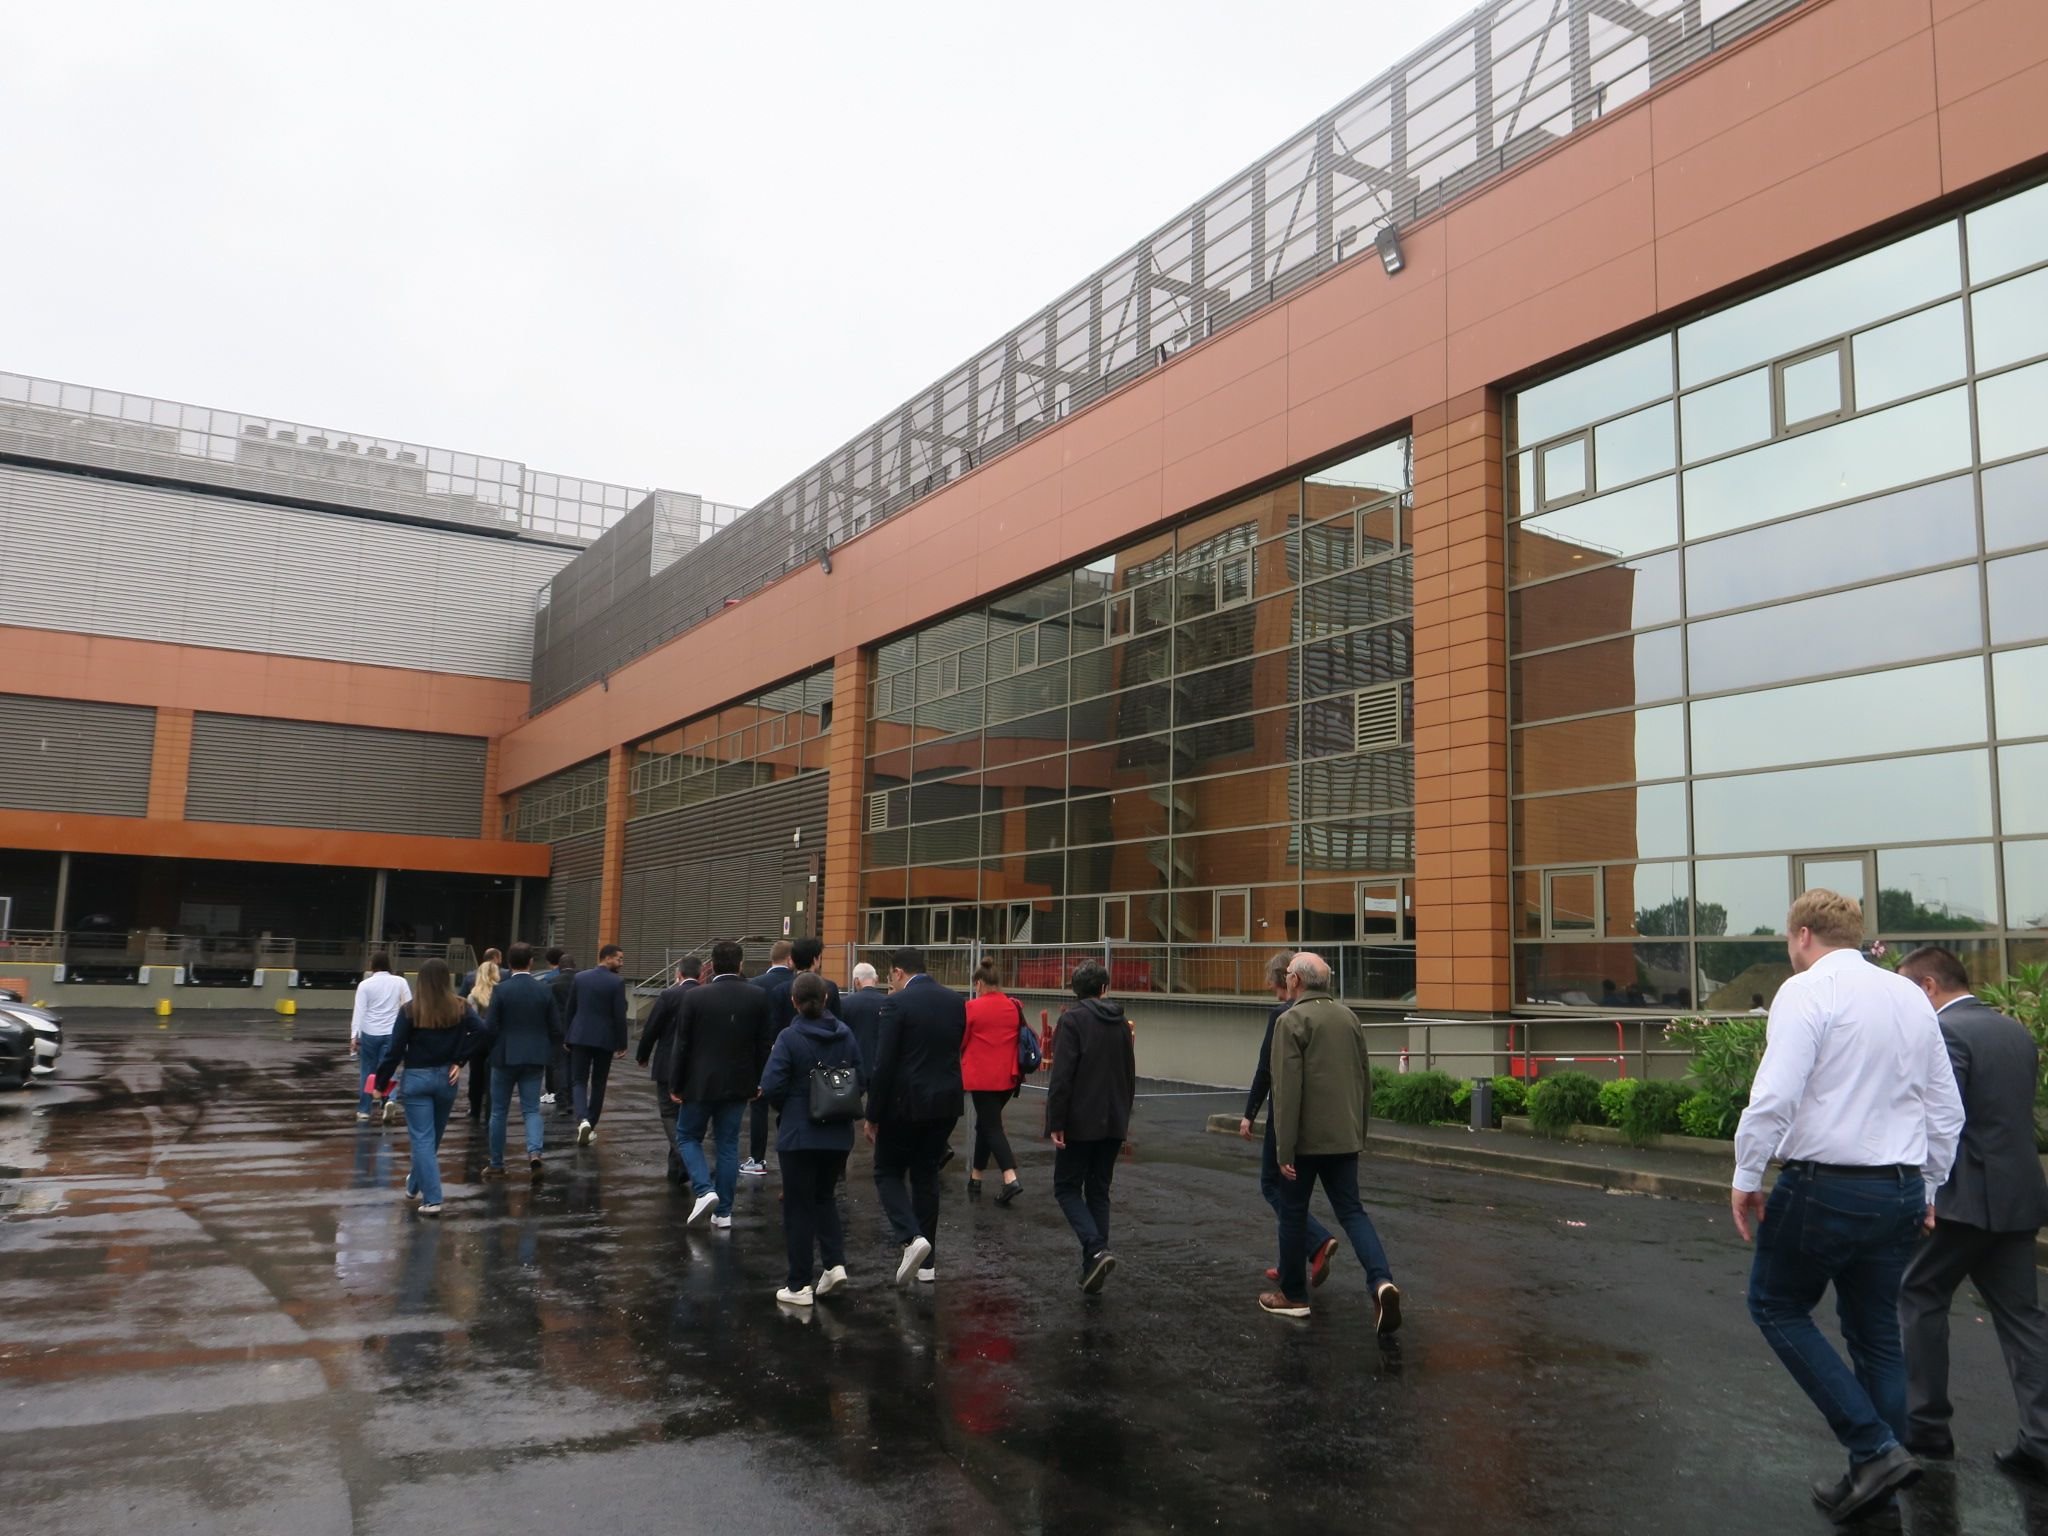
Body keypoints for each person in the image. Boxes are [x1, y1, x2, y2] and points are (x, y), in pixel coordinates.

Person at [1731, 890, 1963, 1524]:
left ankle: (1873, 1448)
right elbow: (1946, 1111)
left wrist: (1747, 1173)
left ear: (1803, 935)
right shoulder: (1909, 997)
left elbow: (1775, 1095)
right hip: (1900, 1187)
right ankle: (1874, 1482)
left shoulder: (1806, 990)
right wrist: (1930, 1188)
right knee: (1878, 1338)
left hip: (1826, 1184)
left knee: (1775, 1306)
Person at [1895, 945, 2048, 1482]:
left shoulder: (1944, 1033)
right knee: (2023, 1320)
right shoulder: (2013, 1031)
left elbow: (1944, 1118)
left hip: (1961, 1198)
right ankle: (2042, 1439)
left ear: (1928, 987)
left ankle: (1927, 1430)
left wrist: (1926, 1193)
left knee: (1918, 1296)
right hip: (2019, 1195)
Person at [1260, 952, 1402, 1333]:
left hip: (1304, 1142)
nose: (1286, 979)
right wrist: (1360, 1133)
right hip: (1345, 1137)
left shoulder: (1291, 1021)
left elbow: (1286, 1091)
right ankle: (1381, 1281)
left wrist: (1283, 1149)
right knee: (1353, 1212)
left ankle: (1293, 1295)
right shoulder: (1349, 1017)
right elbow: (1364, 1080)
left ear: (1297, 982)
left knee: (1292, 1212)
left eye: (1289, 974)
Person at [760, 971, 863, 1306]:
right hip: (837, 1132)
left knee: (798, 1206)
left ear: (794, 1001)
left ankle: (799, 1283)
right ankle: (834, 1264)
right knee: (824, 1198)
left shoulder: (789, 1037)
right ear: (827, 999)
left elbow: (772, 1084)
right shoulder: (845, 1033)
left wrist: (790, 1106)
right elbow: (861, 1076)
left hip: (799, 1133)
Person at [1239, 952, 1340, 1290]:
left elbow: (1265, 1069)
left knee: (1273, 1186)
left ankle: (1316, 1242)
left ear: (1285, 978)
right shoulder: (1328, 1012)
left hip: (1285, 1115)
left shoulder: (1282, 1016)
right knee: (1296, 1195)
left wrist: (1249, 1114)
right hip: (1323, 1116)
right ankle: (1288, 1265)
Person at [865, 946, 964, 1286]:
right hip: (947, 1102)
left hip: (904, 1104)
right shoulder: (955, 1001)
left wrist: (872, 1114)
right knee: (926, 1175)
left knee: (886, 1170)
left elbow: (884, 1064)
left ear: (897, 973)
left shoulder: (894, 1004)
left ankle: (911, 1238)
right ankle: (928, 1265)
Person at [670, 940, 777, 1228]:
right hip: (739, 1082)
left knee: (688, 1136)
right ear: (741, 964)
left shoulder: (695, 998)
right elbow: (763, 1044)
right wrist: (758, 1080)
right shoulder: (758, 996)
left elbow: (683, 1045)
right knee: (728, 1145)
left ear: (711, 966)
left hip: (699, 1082)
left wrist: (676, 1083)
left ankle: (704, 1190)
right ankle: (724, 1212)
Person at [1046, 961, 1135, 1293]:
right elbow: (1129, 1072)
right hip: (1113, 1118)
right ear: (1104, 989)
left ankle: (1096, 1250)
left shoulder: (1071, 1020)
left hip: (1080, 1119)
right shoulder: (1122, 1024)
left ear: (1076, 990)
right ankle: (1094, 1262)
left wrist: (1056, 1121)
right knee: (1098, 1189)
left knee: (1066, 1188)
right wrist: (1124, 1114)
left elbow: (1062, 1076)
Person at [371, 958, 484, 1216]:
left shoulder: (411, 1010)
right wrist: (461, 1059)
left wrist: (379, 1084)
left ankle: (433, 1199)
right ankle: (414, 1183)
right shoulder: (461, 1007)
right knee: (432, 1139)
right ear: (447, 980)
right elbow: (483, 1032)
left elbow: (394, 1050)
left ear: (420, 981)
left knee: (422, 1139)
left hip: (417, 1078)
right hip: (447, 1078)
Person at [482, 943, 555, 1177]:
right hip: (534, 1056)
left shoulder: (501, 990)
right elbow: (556, 1026)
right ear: (531, 963)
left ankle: (496, 1163)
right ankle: (534, 1153)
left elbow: (490, 1027)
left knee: (498, 1111)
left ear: (508, 964)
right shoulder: (544, 990)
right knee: (531, 1109)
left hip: (504, 1055)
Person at [961, 960, 1025, 1204]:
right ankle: (976, 1177)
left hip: (982, 1077)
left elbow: (962, 1041)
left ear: (978, 983)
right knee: (986, 1125)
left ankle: (1010, 1178)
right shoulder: (1013, 1006)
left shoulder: (972, 1007)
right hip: (1008, 1077)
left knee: (991, 1127)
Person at [636, 956, 702, 1183]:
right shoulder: (705, 996)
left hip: (667, 1063)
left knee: (668, 1113)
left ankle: (687, 1158)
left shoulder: (669, 995)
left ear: (678, 975)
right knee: (686, 1114)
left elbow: (652, 1028)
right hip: (696, 1066)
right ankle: (675, 1171)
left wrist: (642, 1055)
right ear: (701, 975)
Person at [564, 944, 628, 1146]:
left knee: (578, 1081)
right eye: (619, 959)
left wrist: (567, 1036)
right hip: (604, 1039)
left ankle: (581, 1118)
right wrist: (622, 1043)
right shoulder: (617, 982)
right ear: (607, 958)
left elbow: (570, 1009)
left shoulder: (580, 978)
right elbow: (619, 1015)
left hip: (580, 1036)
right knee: (599, 1083)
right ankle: (590, 1124)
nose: (621, 963)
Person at [746, 940, 797, 1175]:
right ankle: (792, 1160)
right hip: (797, 1052)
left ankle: (757, 1159)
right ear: (790, 960)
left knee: (759, 1106)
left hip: (761, 1054)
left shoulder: (755, 985)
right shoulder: (799, 984)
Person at [350, 953, 412, 1124]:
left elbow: (359, 1011)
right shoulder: (400, 982)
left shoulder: (365, 985)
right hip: (392, 1032)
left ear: (372, 965)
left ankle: (364, 1110)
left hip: (369, 1032)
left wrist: (354, 1035)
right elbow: (409, 1006)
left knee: (367, 1071)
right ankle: (389, 1100)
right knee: (389, 1067)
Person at [463, 953, 502, 1120]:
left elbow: (469, 1019)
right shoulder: (500, 993)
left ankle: (475, 1109)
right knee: (493, 1076)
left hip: (477, 1040)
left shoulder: (473, 996)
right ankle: (491, 1111)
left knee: (475, 1075)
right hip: (496, 1040)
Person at [841, 962, 889, 1073]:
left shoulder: (845, 1004)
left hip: (853, 1067)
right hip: (881, 1066)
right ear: (876, 979)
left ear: (856, 981)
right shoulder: (888, 1003)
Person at [548, 953, 579, 1118]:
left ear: (559, 967)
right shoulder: (581, 981)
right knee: (576, 1065)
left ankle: (561, 1102)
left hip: (558, 1028)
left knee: (559, 1066)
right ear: (574, 965)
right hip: (578, 1029)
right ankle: (574, 1099)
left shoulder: (553, 983)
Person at [534, 947, 564, 1106]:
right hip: (570, 1025)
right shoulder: (574, 977)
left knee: (552, 1062)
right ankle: (564, 1092)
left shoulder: (548, 979)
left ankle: (552, 1091)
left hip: (551, 1025)